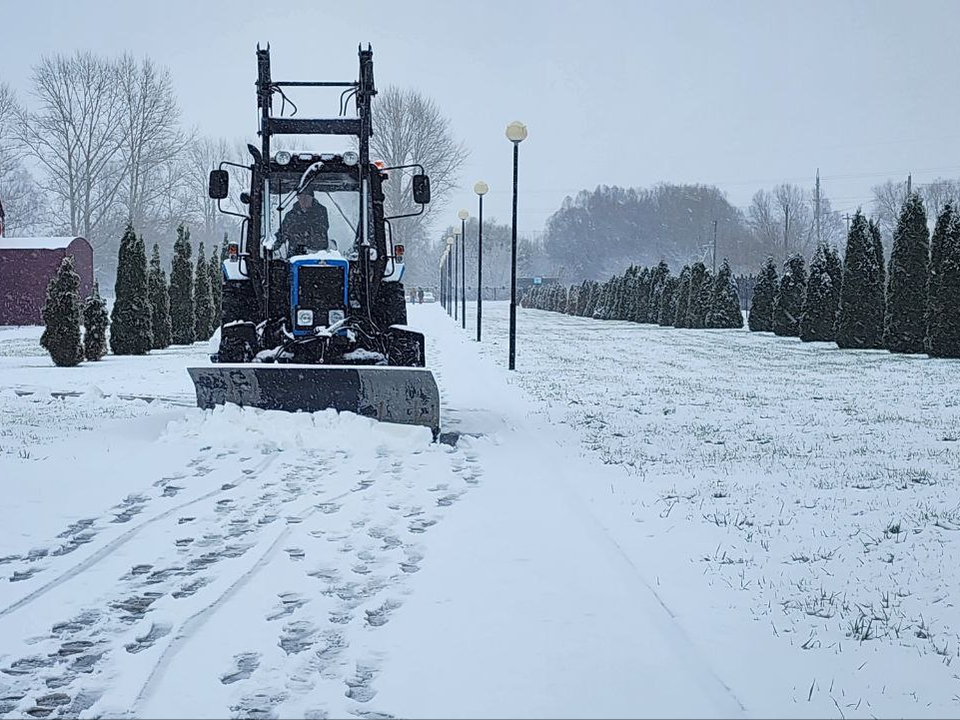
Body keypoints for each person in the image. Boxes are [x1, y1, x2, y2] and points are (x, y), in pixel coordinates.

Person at [279, 187, 329, 253]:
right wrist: (271, 245)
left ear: (312, 198)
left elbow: (321, 228)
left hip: (319, 257)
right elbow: (283, 233)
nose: (303, 200)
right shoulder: (291, 215)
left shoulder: (321, 213)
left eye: (306, 197)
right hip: (295, 257)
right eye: (300, 197)